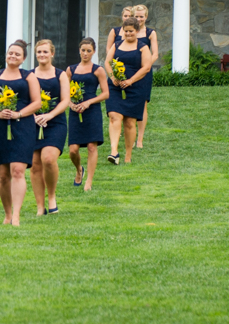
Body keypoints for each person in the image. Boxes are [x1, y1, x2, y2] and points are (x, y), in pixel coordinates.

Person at [0, 40, 41, 225]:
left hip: (23, 126)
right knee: (3, 175)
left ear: (23, 59)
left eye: (17, 54)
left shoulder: (28, 77)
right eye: (10, 53)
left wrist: (19, 114)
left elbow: (37, 102)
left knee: (17, 170)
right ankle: (7, 214)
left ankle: (16, 215)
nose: (12, 56)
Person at [29, 39, 71, 217]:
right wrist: (33, 116)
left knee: (48, 159)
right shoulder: (29, 75)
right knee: (35, 165)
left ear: (52, 54)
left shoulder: (60, 74)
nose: (42, 55)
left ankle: (52, 196)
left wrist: (49, 115)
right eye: (39, 52)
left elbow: (65, 101)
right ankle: (40, 206)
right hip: (32, 122)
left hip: (55, 122)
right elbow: (25, 100)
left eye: (45, 52)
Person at [107, 18, 154, 165]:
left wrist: (130, 81)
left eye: (131, 31)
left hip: (135, 87)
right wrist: (113, 77)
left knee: (129, 122)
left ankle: (128, 155)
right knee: (114, 116)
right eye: (126, 31)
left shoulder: (142, 47)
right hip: (115, 86)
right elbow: (107, 62)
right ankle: (114, 151)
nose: (128, 34)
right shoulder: (116, 45)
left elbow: (146, 67)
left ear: (137, 31)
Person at [66, 37, 109, 192]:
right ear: (79, 50)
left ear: (94, 52)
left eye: (88, 51)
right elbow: (64, 91)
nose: (85, 53)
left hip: (92, 112)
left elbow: (105, 94)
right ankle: (79, 169)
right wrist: (71, 104)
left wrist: (89, 102)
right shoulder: (71, 70)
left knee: (92, 146)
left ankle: (89, 182)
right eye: (83, 50)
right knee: (73, 149)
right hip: (75, 112)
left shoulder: (98, 70)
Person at [131, 4, 160, 150]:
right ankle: (128, 133)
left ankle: (140, 139)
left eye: (141, 16)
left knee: (143, 104)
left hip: (145, 72)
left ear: (146, 17)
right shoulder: (128, 31)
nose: (139, 19)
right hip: (129, 71)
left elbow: (155, 53)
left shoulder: (150, 33)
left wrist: (146, 65)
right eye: (136, 16)